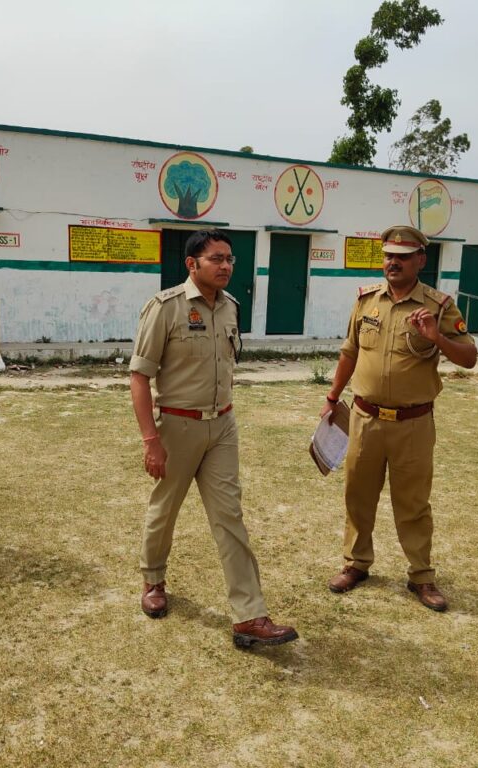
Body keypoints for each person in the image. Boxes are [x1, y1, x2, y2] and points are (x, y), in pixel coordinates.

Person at [129, 229, 298, 648]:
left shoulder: (230, 308)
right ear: (192, 264)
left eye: (229, 259)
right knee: (165, 508)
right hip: (178, 427)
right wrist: (151, 440)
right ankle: (153, 580)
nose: (225, 266)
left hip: (222, 425)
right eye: (216, 259)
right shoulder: (165, 308)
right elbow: (139, 377)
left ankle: (249, 616)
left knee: (230, 517)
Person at [321, 225, 476, 612]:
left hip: (413, 423)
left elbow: (469, 357)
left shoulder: (439, 306)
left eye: (403, 257)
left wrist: (437, 337)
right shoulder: (366, 300)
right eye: (389, 256)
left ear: (420, 260)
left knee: (413, 503)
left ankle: (421, 575)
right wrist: (332, 396)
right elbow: (350, 351)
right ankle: (356, 564)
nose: (393, 262)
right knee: (357, 495)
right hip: (365, 419)